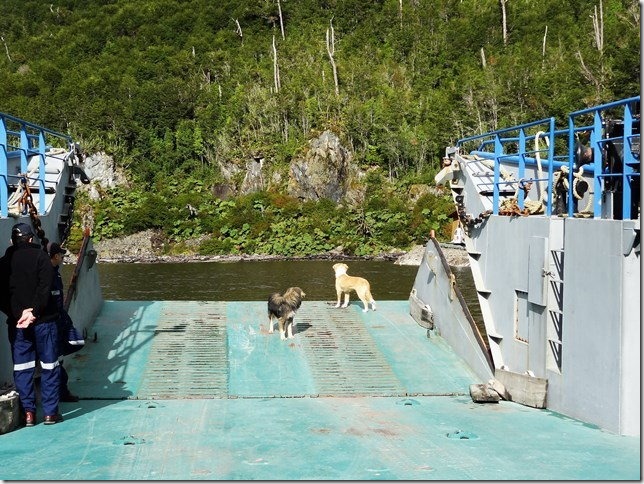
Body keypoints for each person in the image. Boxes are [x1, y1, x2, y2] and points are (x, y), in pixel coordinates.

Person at [0, 223, 62, 426]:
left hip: (18, 323)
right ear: (30, 239)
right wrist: (34, 312)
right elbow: (45, 289)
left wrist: (19, 313)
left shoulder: (4, 263)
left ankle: (29, 413)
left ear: (12, 241)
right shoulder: (41, 258)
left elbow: (2, 296)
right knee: (49, 365)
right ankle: (50, 413)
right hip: (43, 321)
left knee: (22, 367)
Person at [48, 241, 82, 403]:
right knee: (55, 362)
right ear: (55, 256)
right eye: (61, 255)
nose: (62, 257)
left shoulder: (55, 273)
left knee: (60, 356)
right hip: (51, 323)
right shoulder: (49, 274)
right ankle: (59, 394)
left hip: (57, 321)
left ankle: (60, 392)